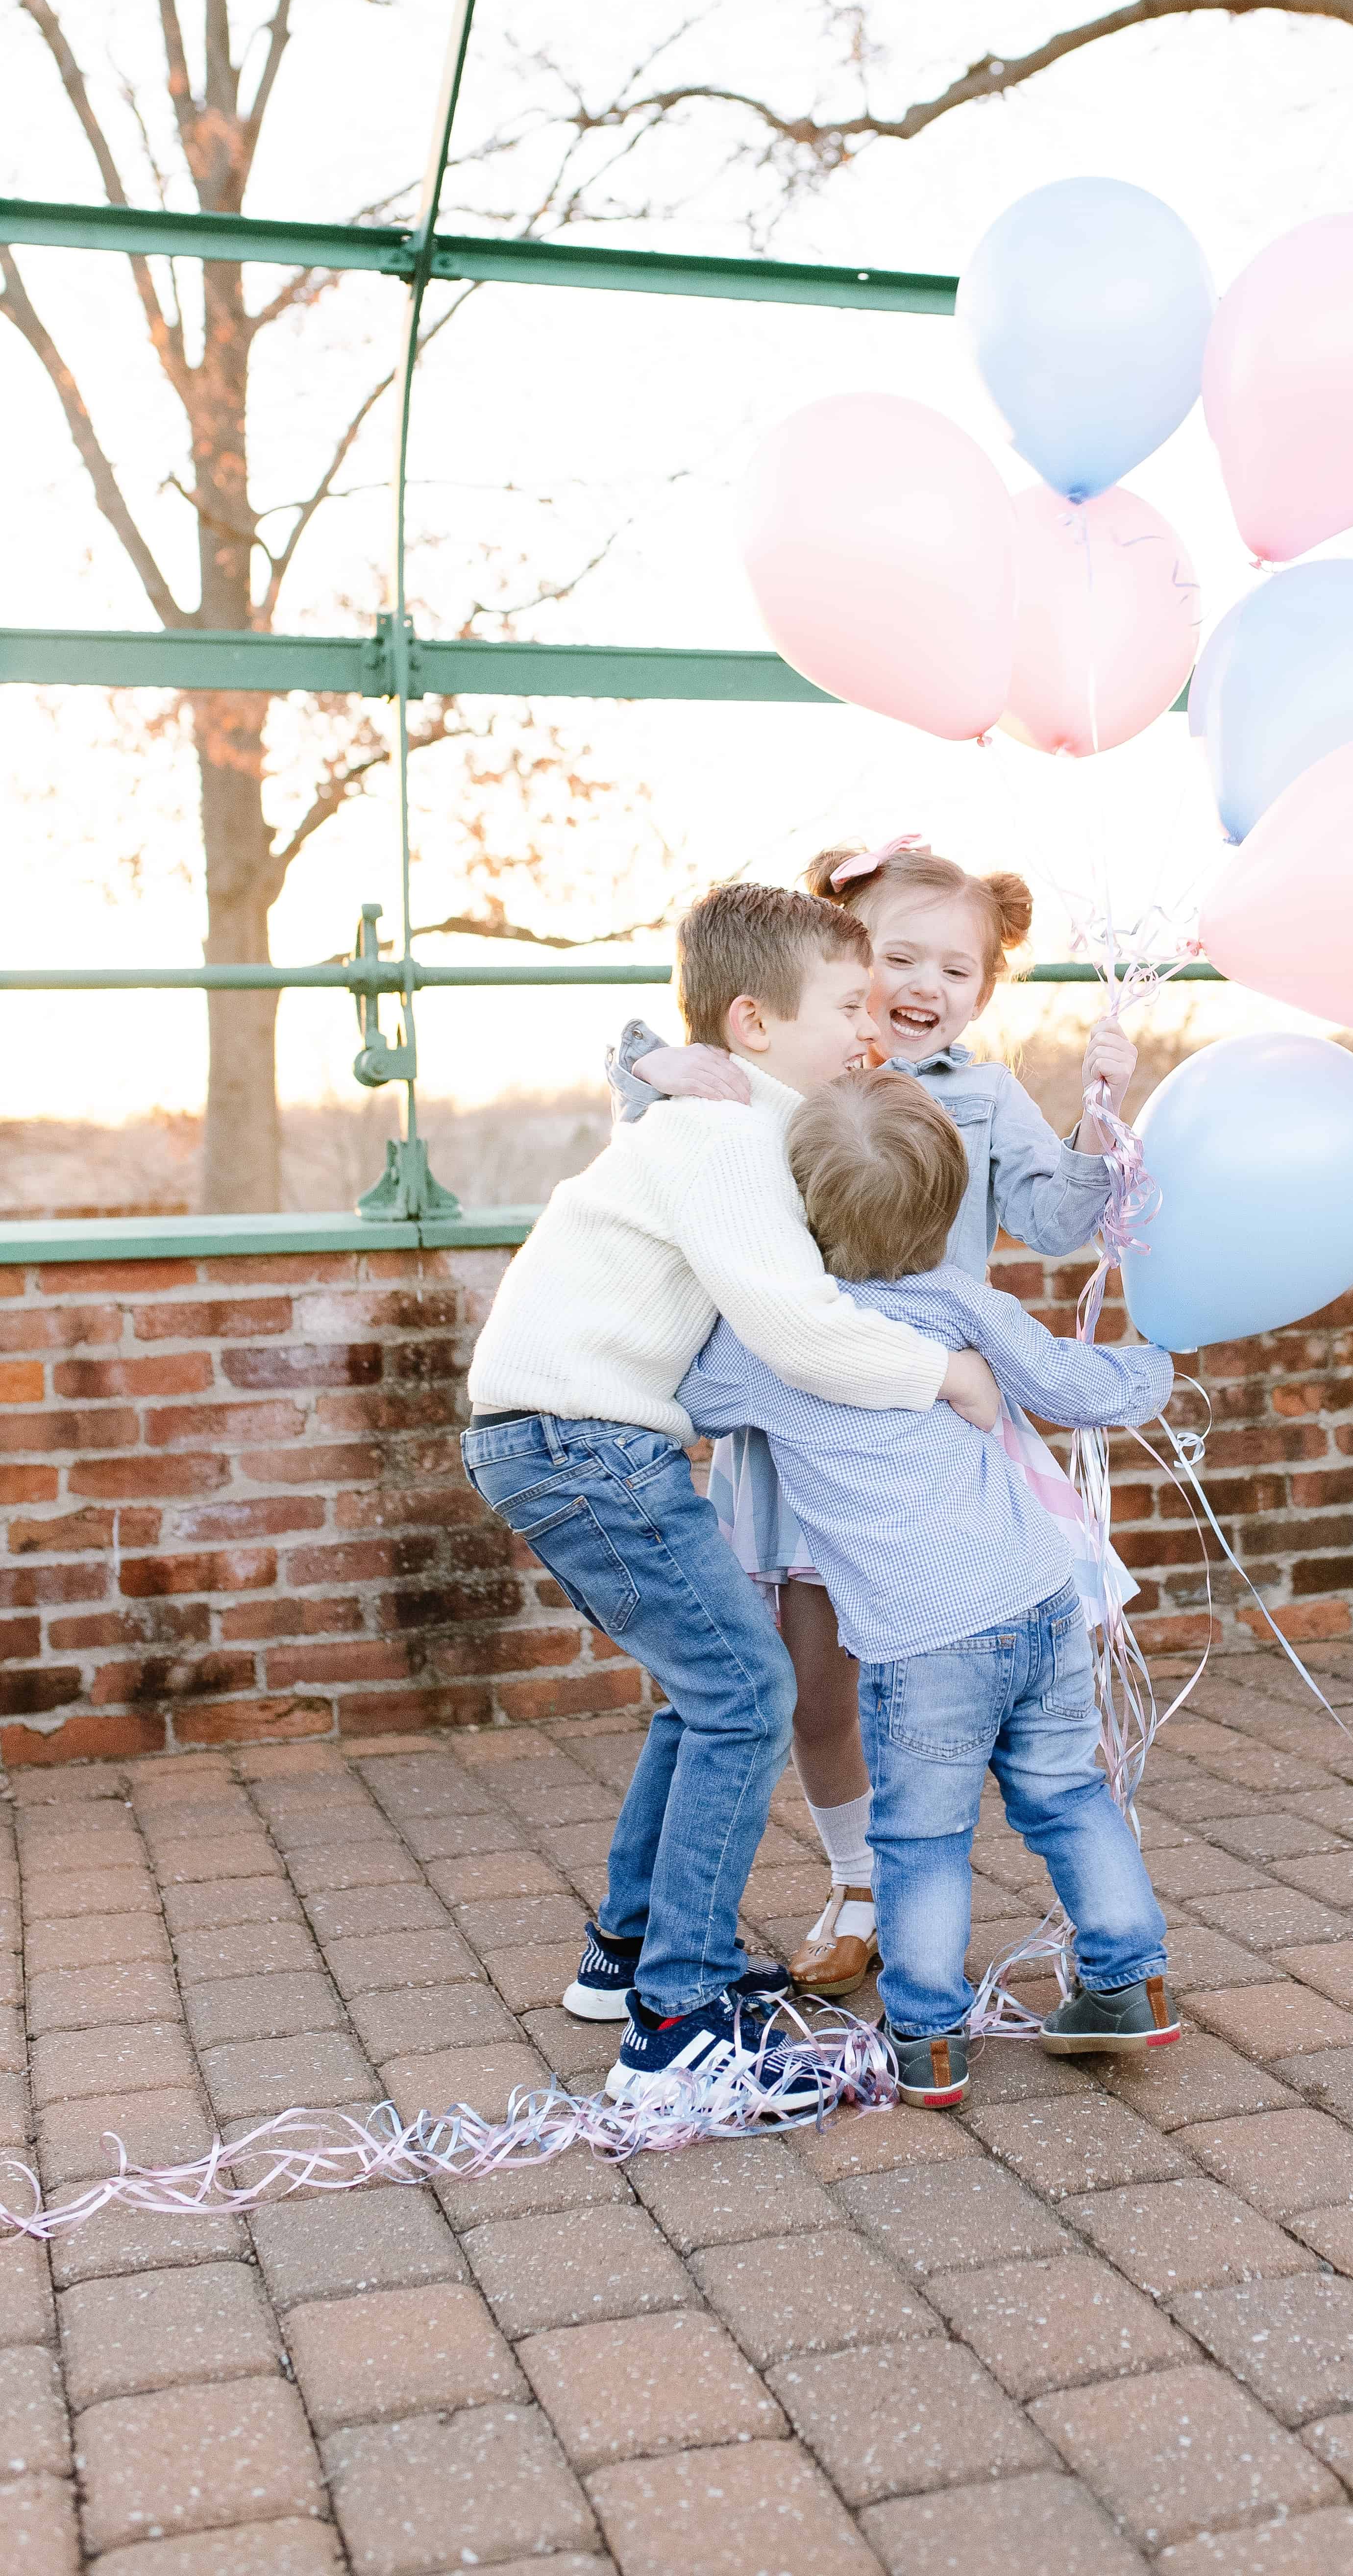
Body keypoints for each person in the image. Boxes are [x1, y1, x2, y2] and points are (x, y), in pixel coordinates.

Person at [460, 880, 1002, 2113]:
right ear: (753, 1024)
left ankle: (626, 1960)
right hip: (580, 1438)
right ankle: (677, 2027)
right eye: (848, 1006)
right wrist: (945, 1374)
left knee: (706, 1689)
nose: (867, 1031)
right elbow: (795, 1326)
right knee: (751, 1689)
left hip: (573, 1436)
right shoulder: (722, 1136)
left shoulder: (722, 1122)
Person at [607, 836, 1136, 1998]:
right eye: (898, 959)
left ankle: (937, 1887)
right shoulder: (786, 1075)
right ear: (847, 960)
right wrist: (650, 1069)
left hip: (933, 1427)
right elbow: (657, 1085)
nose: (924, 990)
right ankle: (858, 1882)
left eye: (958, 971)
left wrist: (1100, 1117)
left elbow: (1053, 1224)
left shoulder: (984, 1096)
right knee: (811, 1676)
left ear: (985, 991)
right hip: (796, 1416)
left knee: (957, 1654)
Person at [680, 1065, 1180, 2109]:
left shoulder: (783, 1338)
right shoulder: (962, 1302)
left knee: (922, 1838)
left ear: (796, 1212)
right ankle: (1131, 1983)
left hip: (923, 1641)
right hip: (1042, 1599)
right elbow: (1069, 1385)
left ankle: (926, 2033)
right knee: (1068, 1795)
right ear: (951, 1205)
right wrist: (1160, 1365)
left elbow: (687, 1397)